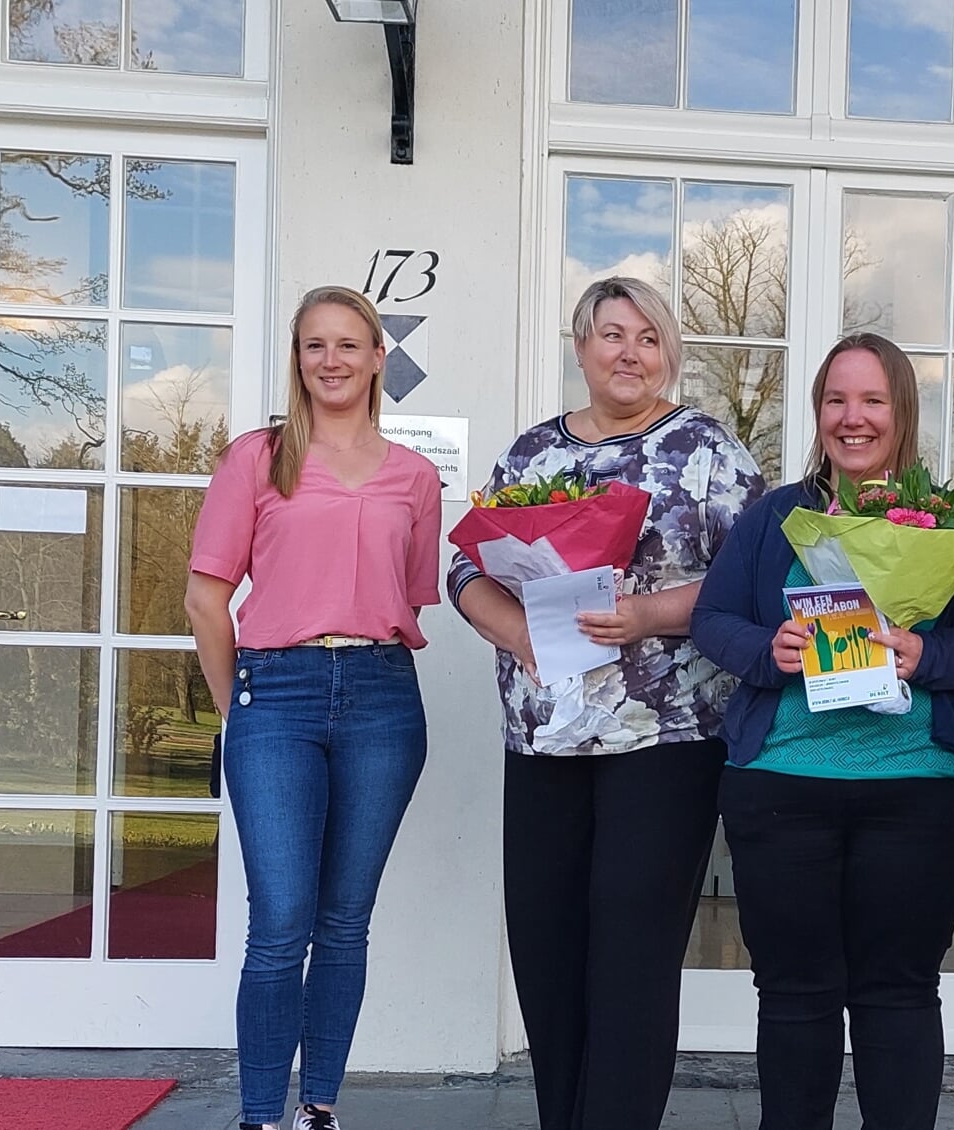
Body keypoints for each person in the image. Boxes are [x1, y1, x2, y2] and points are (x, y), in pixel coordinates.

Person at [448, 276, 765, 1130]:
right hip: (543, 737)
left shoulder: (706, 449)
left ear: (668, 355)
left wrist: (646, 616)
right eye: (611, 335)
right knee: (547, 952)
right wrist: (516, 633)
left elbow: (751, 580)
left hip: (663, 738)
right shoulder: (531, 454)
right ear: (581, 346)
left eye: (648, 339)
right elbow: (465, 569)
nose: (629, 353)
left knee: (630, 957)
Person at [689, 333, 954, 1130]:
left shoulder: (947, 523)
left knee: (896, 994)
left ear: (901, 412)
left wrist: (927, 653)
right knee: (795, 995)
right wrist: (770, 649)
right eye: (835, 400)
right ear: (818, 412)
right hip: (783, 789)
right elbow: (711, 618)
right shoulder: (775, 519)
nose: (851, 418)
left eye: (871, 401)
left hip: (920, 791)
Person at [184, 286, 444, 1130]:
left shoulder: (417, 476)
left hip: (381, 698)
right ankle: (261, 1115)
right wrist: (239, 710)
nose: (330, 360)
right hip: (276, 695)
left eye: (348, 344)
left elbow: (408, 598)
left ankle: (318, 1109)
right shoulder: (256, 459)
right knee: (281, 919)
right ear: (297, 360)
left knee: (343, 922)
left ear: (378, 358)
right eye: (312, 346)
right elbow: (203, 598)